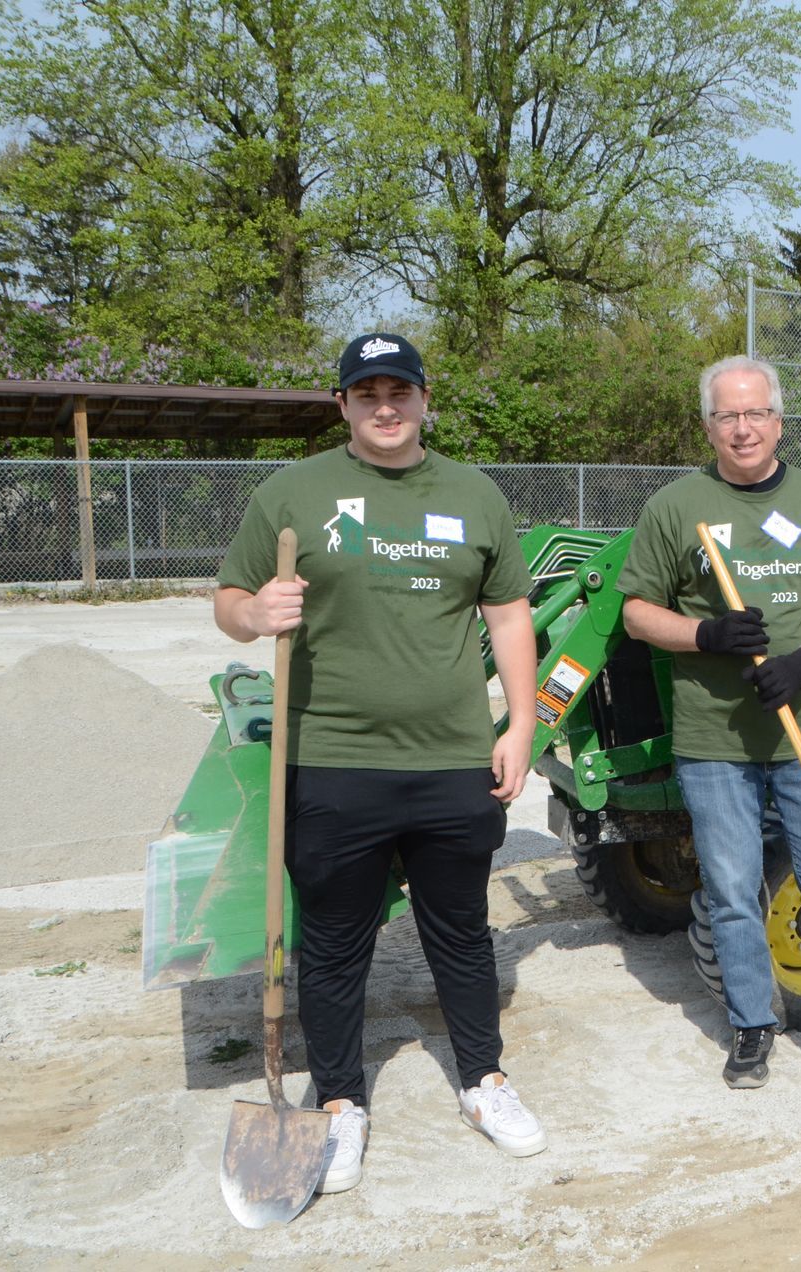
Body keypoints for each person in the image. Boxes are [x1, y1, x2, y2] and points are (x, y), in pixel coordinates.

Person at [214, 332, 547, 1196]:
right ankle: (339, 1101)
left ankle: (483, 1080)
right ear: (343, 405)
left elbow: (509, 614)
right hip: (333, 759)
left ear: (426, 400)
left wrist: (521, 723)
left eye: (401, 391)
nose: (386, 407)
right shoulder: (293, 494)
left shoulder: (474, 495)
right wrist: (255, 613)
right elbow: (229, 600)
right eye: (367, 394)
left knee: (462, 931)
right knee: (334, 945)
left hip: (452, 760)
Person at [615, 354, 801, 1105]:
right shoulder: (677, 507)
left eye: (755, 413)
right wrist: (705, 635)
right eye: (727, 415)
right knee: (734, 891)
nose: (742, 428)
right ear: (708, 425)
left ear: (777, 420)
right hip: (714, 739)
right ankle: (751, 1025)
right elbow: (637, 613)